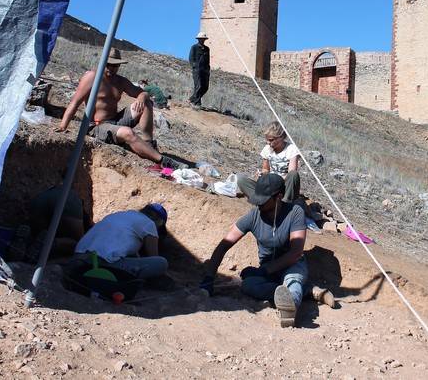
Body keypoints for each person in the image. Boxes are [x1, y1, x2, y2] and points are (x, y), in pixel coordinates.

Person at [200, 174, 334, 327]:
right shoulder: (253, 216)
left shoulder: (295, 212)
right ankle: (307, 291)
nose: (259, 205)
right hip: (268, 270)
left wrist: (264, 271)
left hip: (292, 265)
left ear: (278, 197)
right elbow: (224, 245)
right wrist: (209, 277)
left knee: (292, 281)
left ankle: (290, 309)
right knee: (248, 286)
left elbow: (295, 253)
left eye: (263, 201)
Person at [55, 48, 186, 170]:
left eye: (115, 65)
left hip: (115, 121)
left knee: (146, 103)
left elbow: (142, 93)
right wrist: (63, 126)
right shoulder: (91, 77)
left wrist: (141, 97)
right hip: (96, 126)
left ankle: (149, 144)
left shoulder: (120, 81)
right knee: (127, 132)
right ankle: (162, 160)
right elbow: (74, 102)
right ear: (103, 62)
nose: (111, 68)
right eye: (109, 64)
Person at [74, 203, 169, 281]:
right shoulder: (149, 224)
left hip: (78, 258)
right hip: (98, 264)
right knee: (161, 263)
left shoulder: (120, 214)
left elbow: (129, 251)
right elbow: (153, 256)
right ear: (160, 222)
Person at [236, 121, 300, 204]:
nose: (268, 143)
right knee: (241, 180)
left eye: (271, 140)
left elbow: (291, 174)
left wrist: (276, 180)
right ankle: (264, 202)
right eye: (267, 140)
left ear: (281, 137)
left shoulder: (291, 149)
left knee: (294, 175)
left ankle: (284, 204)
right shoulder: (267, 149)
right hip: (269, 187)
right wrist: (262, 174)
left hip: (284, 187)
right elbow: (266, 169)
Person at [189, 32, 210, 110]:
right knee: (198, 86)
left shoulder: (207, 49)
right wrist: (194, 66)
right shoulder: (194, 47)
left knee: (205, 87)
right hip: (197, 70)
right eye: (201, 39)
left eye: (203, 39)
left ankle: (192, 99)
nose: (202, 40)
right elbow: (191, 58)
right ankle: (197, 102)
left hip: (205, 70)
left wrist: (208, 69)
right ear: (198, 39)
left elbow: (208, 60)